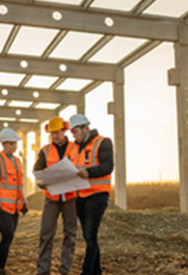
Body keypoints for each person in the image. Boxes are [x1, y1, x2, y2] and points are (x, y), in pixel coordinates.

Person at [68, 114, 114, 275]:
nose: (73, 135)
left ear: (85, 128)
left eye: (75, 131)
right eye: (72, 133)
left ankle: (87, 272)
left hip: (97, 195)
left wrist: (89, 172)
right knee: (89, 237)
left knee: (90, 233)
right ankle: (97, 271)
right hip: (80, 197)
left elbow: (108, 166)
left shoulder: (103, 142)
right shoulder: (74, 148)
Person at [34, 117, 78, 275]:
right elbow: (38, 171)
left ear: (64, 130)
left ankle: (64, 270)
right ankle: (42, 271)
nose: (54, 136)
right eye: (52, 134)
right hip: (51, 198)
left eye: (57, 133)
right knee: (46, 233)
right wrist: (40, 182)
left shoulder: (75, 148)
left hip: (71, 198)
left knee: (70, 235)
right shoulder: (45, 150)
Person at [0, 127, 28, 275]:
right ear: (3, 144)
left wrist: (24, 201)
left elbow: (19, 184)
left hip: (14, 207)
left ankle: (1, 268)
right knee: (7, 236)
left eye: (15, 143)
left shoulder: (18, 161)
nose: (14, 146)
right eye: (10, 144)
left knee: (9, 238)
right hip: (0, 207)